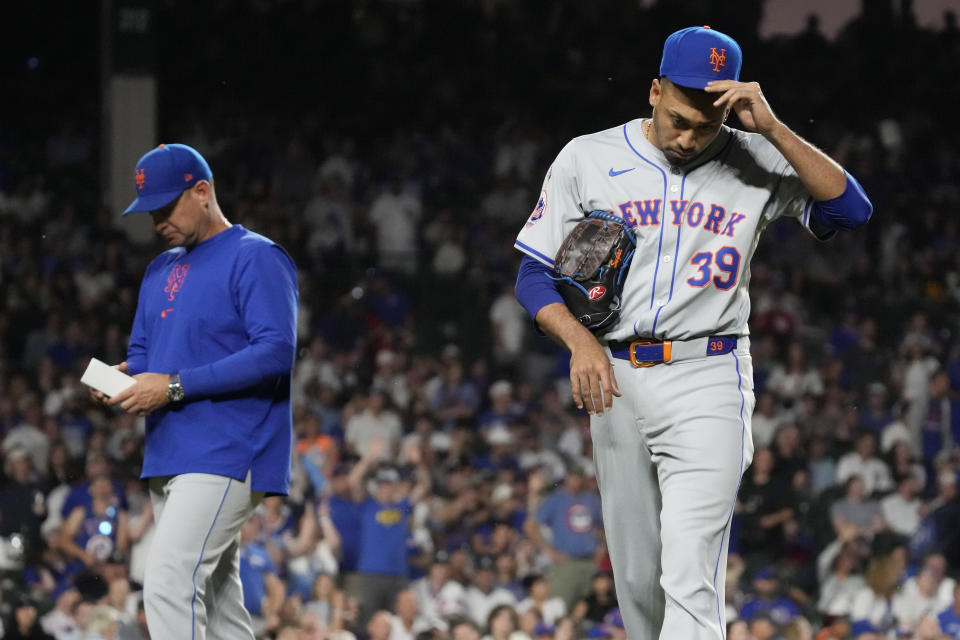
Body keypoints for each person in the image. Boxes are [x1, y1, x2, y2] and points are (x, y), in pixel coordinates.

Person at [512, 26, 872, 639]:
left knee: (688, 564)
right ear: (654, 90)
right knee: (637, 577)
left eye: (705, 125)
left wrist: (775, 129)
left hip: (710, 372)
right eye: (680, 118)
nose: (688, 137)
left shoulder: (755, 154)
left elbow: (850, 210)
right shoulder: (589, 156)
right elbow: (532, 275)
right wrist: (579, 342)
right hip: (616, 374)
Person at [90, 143, 299, 639]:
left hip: (230, 445)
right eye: (150, 211)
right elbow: (146, 356)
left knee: (166, 581)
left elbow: (275, 353)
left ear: (202, 192)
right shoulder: (158, 269)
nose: (157, 219)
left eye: (166, 206)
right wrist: (124, 381)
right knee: (222, 605)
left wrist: (173, 386)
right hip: (169, 451)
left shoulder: (256, 256)